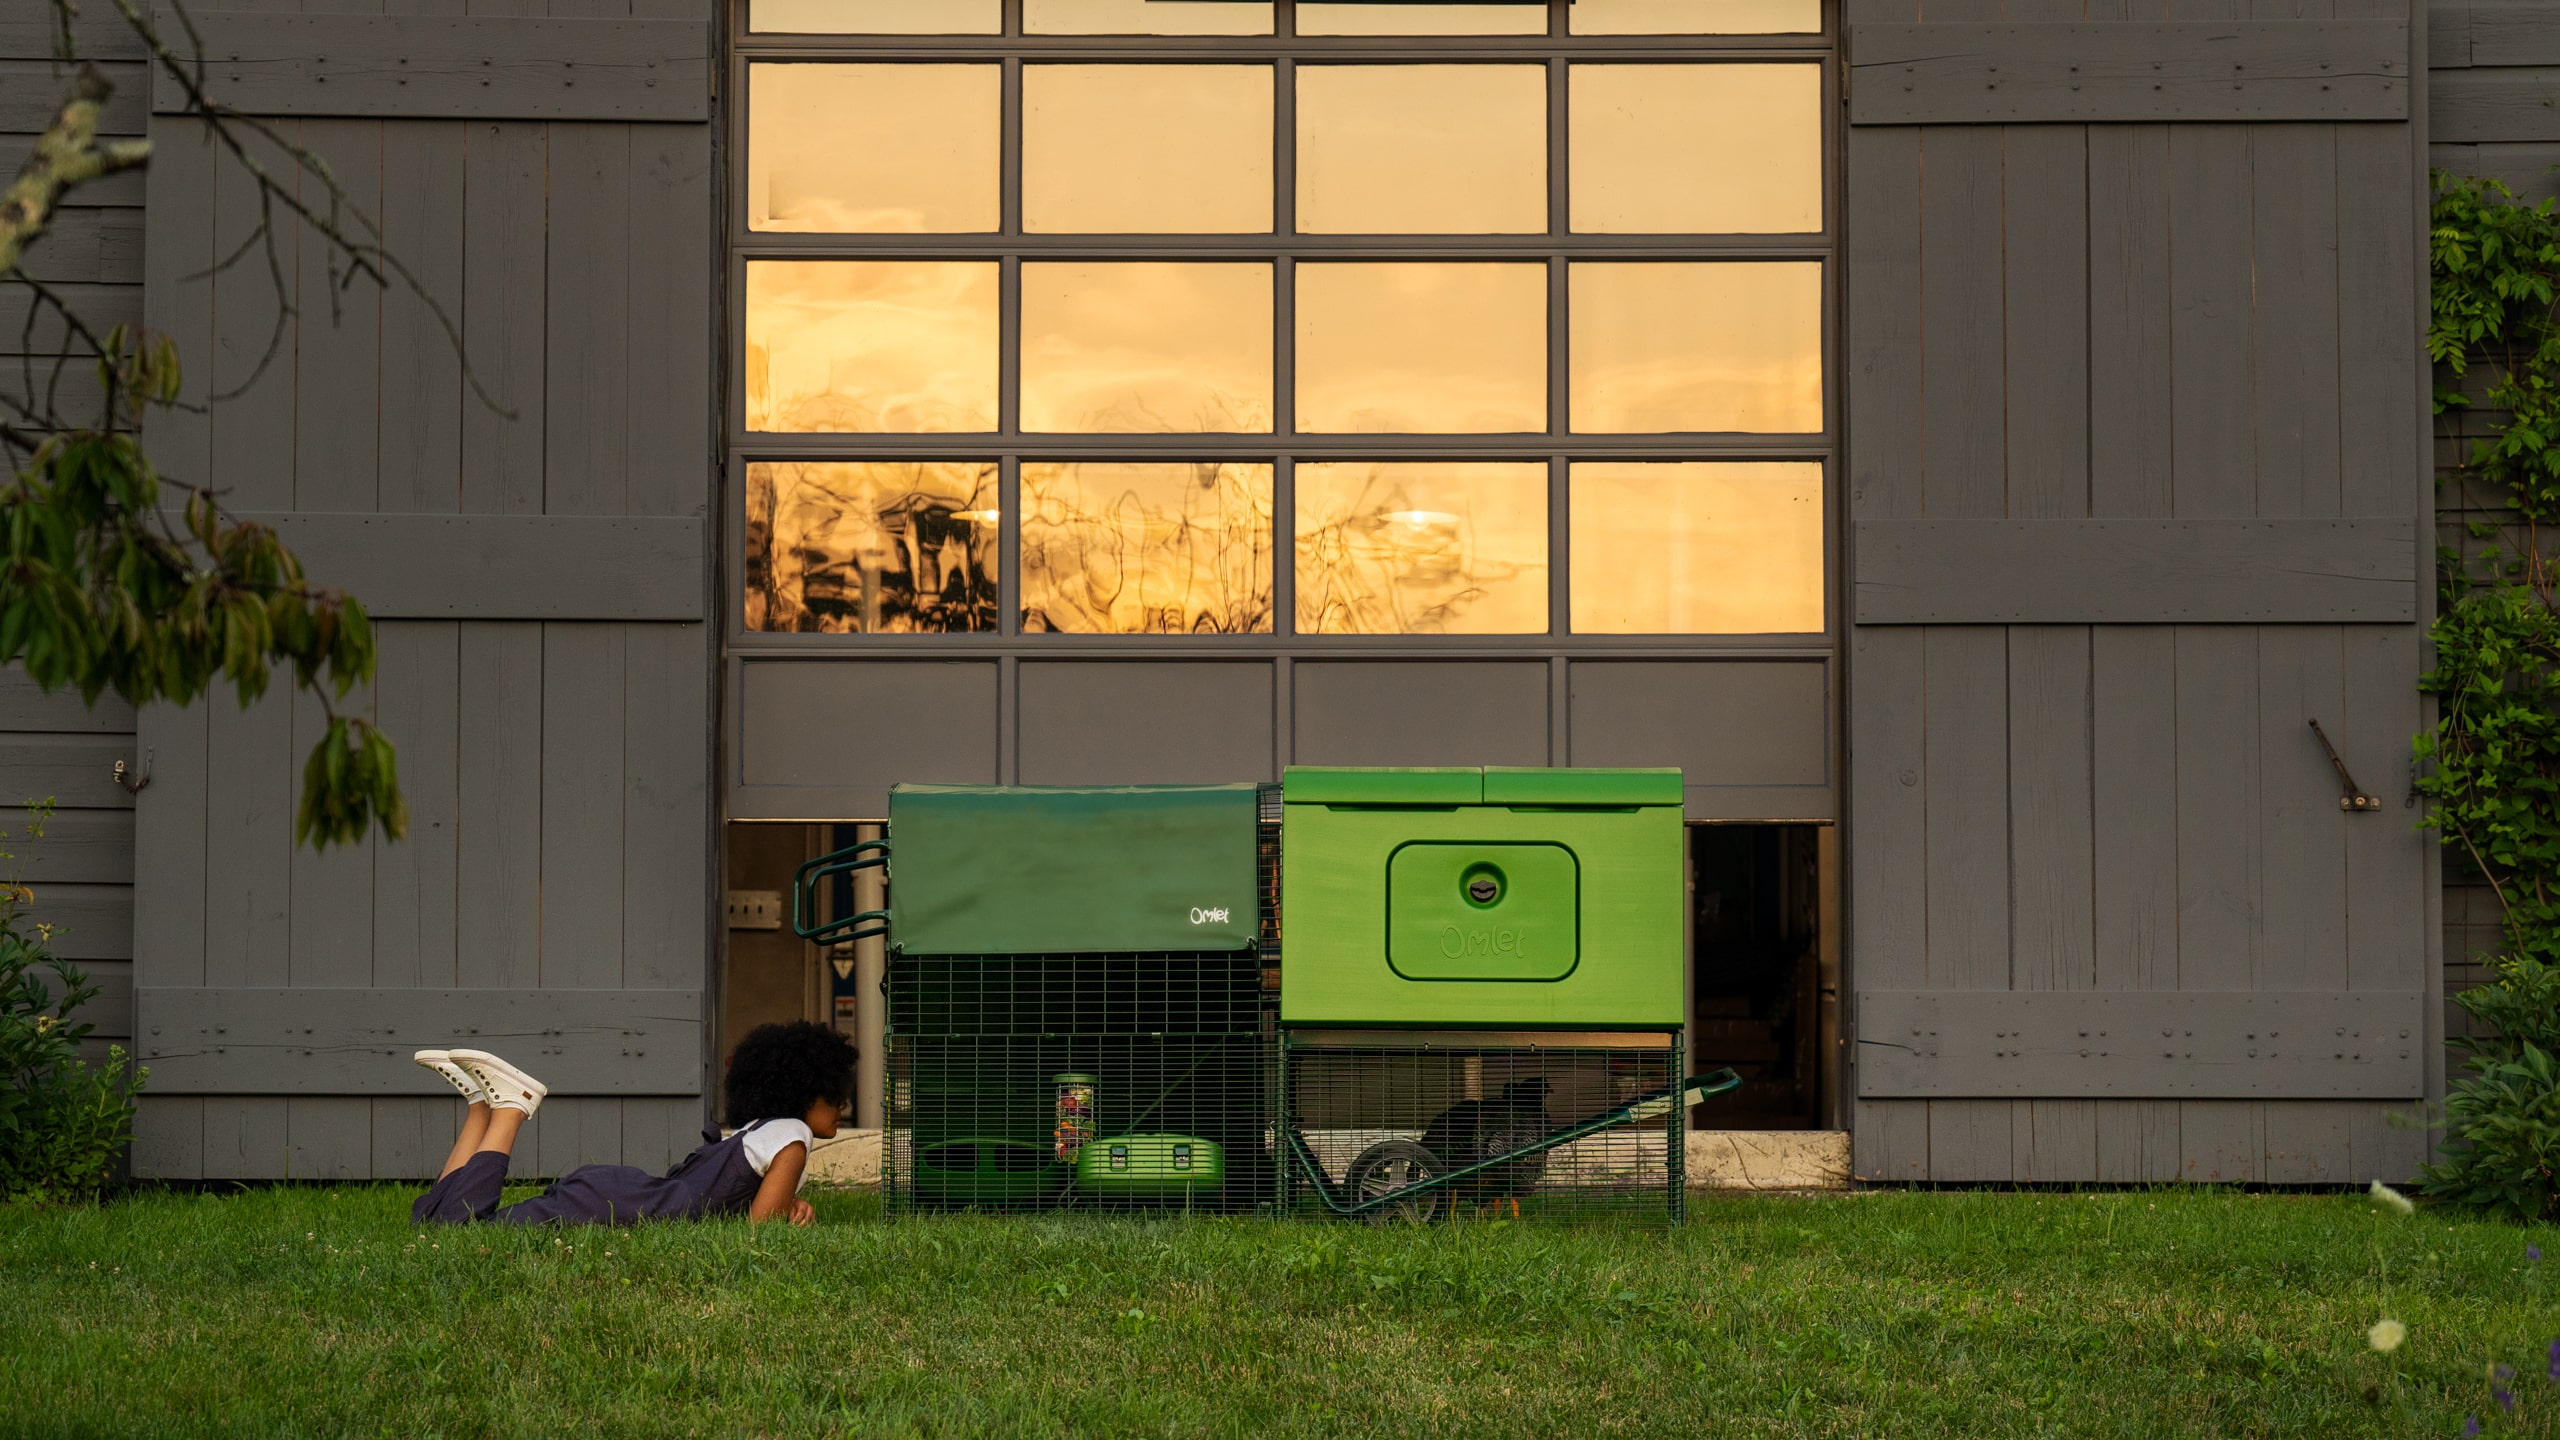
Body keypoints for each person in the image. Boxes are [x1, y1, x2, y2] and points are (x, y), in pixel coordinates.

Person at [407, 1021, 856, 1228]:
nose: (844, 1104)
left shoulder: (760, 1129)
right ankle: (510, 1108)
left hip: (620, 1195)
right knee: (458, 1231)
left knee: (431, 1224)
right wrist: (795, 1217)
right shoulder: (793, 1137)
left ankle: (479, 1109)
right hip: (620, 1205)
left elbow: (741, 1201)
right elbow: (761, 1232)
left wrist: (792, 1204)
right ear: (804, 1089)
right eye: (834, 1093)